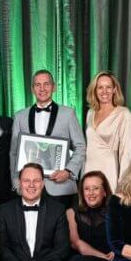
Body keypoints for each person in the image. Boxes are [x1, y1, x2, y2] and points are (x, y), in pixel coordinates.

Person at [10, 69, 86, 208]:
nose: (42, 88)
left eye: (46, 84)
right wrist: (16, 183)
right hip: (29, 187)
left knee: (62, 229)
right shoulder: (20, 116)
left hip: (60, 187)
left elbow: (80, 146)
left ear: (54, 87)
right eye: (38, 85)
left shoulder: (68, 114)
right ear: (32, 89)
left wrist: (68, 172)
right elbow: (14, 152)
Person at [82, 71, 131, 192]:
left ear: (114, 89)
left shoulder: (124, 114)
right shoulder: (90, 113)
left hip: (109, 172)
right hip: (88, 170)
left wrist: (122, 185)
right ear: (95, 90)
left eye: (108, 87)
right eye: (100, 87)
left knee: (107, 209)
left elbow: (126, 154)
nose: (104, 91)